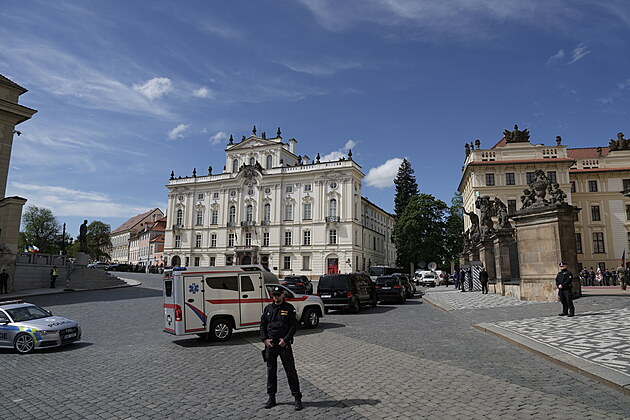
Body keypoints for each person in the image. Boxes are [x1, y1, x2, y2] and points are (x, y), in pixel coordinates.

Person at [260, 286, 303, 411]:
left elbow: (293, 326)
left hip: (283, 345)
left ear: (283, 294)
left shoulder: (289, 308)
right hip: (271, 345)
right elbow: (262, 325)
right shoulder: (268, 309)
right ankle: (271, 398)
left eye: (278, 295)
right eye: (274, 295)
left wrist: (286, 339)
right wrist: (264, 339)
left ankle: (297, 398)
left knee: (290, 371)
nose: (276, 297)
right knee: (271, 372)